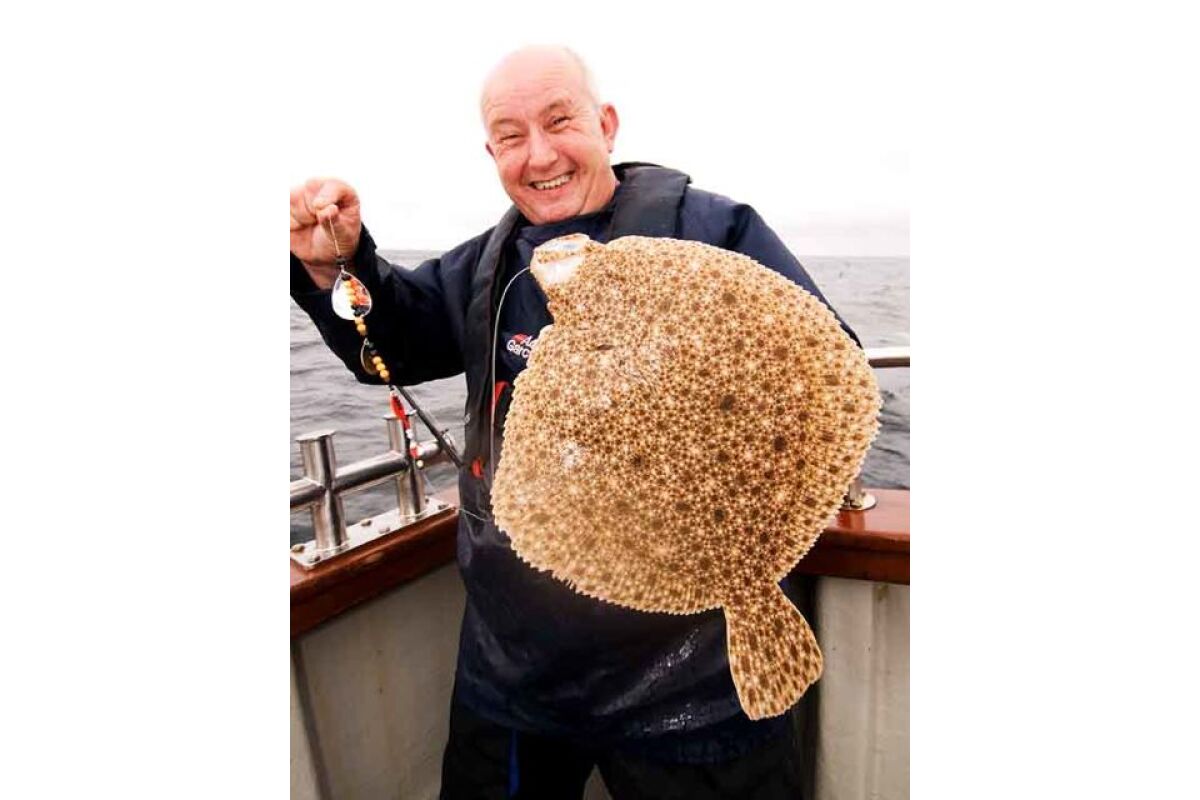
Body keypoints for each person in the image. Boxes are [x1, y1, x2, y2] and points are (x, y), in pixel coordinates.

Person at [290, 45, 857, 800]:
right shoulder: (487, 263)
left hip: (697, 679)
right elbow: (390, 343)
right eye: (511, 136)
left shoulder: (714, 231)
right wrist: (333, 264)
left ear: (606, 124)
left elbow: (825, 370)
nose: (540, 154)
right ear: (492, 154)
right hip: (514, 668)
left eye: (559, 121)